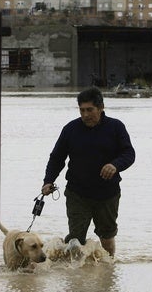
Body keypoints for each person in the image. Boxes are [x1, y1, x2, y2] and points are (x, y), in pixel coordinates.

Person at [41, 87, 135, 256]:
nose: (85, 115)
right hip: (78, 193)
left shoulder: (116, 127)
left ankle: (108, 272)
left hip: (108, 194)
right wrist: (48, 181)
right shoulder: (71, 129)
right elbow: (57, 158)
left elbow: (129, 154)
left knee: (107, 236)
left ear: (101, 108)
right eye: (82, 110)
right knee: (75, 239)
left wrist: (115, 165)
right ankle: (75, 278)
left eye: (89, 110)